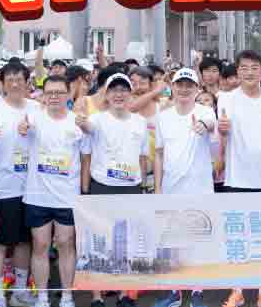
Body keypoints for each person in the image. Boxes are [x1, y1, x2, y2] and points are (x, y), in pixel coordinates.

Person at [218, 50, 261, 307]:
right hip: (236, 178)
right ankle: (237, 290)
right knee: (237, 238)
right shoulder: (226, 99)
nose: (249, 72)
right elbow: (221, 139)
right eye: (244, 67)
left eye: (254, 67)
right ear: (237, 70)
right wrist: (222, 132)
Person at [152, 68, 219, 307]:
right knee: (171, 242)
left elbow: (211, 124)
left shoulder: (205, 111)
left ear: (197, 89)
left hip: (199, 189)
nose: (183, 89)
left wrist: (203, 125)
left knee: (198, 242)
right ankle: (174, 292)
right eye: (179, 84)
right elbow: (159, 154)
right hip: (170, 189)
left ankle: (197, 292)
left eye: (189, 85)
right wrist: (158, 188)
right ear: (172, 87)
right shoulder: (163, 116)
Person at [81, 72, 149, 307]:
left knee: (126, 243)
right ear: (106, 94)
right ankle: (97, 297)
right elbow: (86, 155)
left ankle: (123, 294)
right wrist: (85, 190)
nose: (119, 95)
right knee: (98, 241)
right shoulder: (96, 120)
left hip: (131, 187)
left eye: (123, 90)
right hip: (102, 186)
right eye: (114, 90)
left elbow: (142, 158)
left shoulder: (140, 122)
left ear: (130, 94)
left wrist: (143, 186)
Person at [21, 76, 87, 307]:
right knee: (40, 246)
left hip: (67, 197)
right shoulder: (33, 119)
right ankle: (42, 297)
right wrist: (22, 128)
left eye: (59, 92)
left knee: (66, 245)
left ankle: (67, 296)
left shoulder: (77, 123)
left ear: (68, 94)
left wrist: (84, 191)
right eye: (49, 92)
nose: (54, 97)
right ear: (43, 95)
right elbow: (22, 132)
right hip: (37, 196)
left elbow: (85, 158)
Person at [0, 59, 42, 307]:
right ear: (2, 83)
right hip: (4, 187)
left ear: (27, 82)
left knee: (25, 241)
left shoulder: (37, 108)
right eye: (10, 80)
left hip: (34, 187)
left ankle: (19, 291)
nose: (15, 84)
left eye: (19, 79)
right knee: (1, 241)